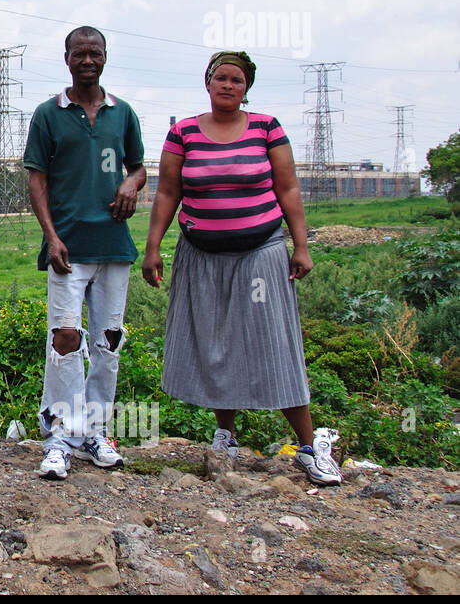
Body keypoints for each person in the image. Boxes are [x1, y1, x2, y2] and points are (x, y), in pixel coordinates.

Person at [142, 51, 341, 486]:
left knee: (275, 344)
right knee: (216, 342)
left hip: (261, 252)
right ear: (208, 83)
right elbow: (167, 192)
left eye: (236, 79)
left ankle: (309, 446)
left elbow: (287, 187)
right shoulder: (183, 132)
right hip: (202, 253)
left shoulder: (267, 128)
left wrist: (301, 246)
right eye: (220, 77)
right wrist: (153, 247)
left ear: (246, 87)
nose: (228, 85)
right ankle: (225, 435)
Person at [23, 26, 146, 479]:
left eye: (95, 53)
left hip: (113, 246)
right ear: (67, 58)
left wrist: (131, 184)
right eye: (80, 53)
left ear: (106, 56)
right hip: (68, 247)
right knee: (65, 339)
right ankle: (59, 434)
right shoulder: (48, 115)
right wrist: (51, 237)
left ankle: (95, 431)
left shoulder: (122, 113)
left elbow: (139, 169)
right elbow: (36, 180)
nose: (88, 60)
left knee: (108, 342)